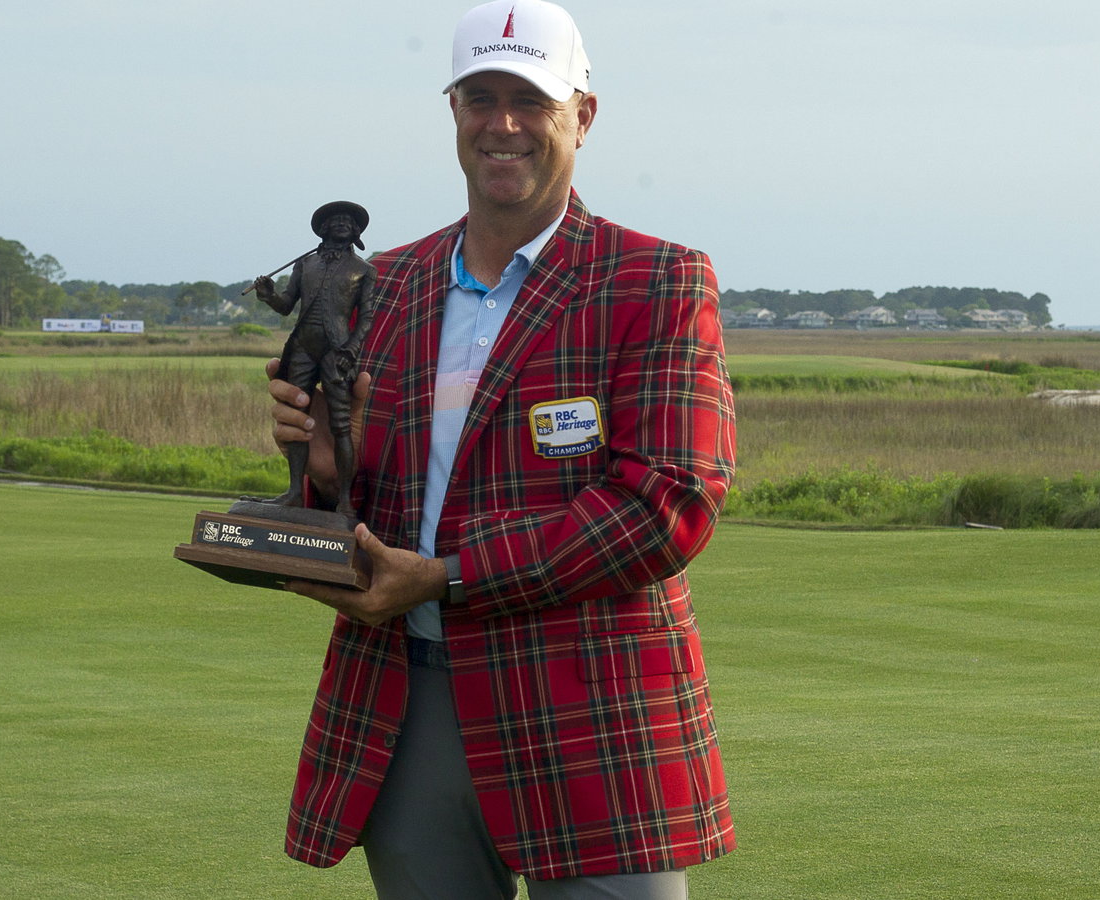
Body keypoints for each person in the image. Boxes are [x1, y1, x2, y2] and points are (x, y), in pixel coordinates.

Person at [267, 1, 736, 897]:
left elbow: (664, 508)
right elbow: (372, 495)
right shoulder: (387, 280)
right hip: (408, 699)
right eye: (481, 97)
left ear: (583, 117)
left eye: (532, 100)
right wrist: (331, 470)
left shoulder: (656, 278)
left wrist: (445, 576)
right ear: (452, 112)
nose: (504, 124)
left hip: (592, 706)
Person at [250, 201, 378, 518]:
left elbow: (366, 317)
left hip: (337, 352)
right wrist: (268, 293)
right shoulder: (305, 265)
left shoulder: (364, 270)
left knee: (340, 426)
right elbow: (285, 305)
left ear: (357, 232)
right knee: (296, 418)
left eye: (349, 221)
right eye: (336, 220)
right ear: (323, 229)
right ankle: (295, 492)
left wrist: (350, 348)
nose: (343, 223)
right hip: (303, 347)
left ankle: (346, 502)